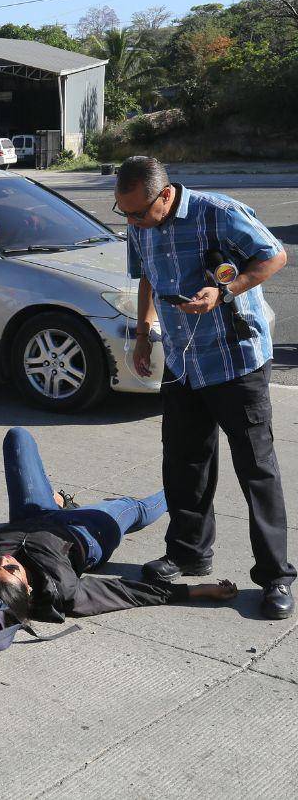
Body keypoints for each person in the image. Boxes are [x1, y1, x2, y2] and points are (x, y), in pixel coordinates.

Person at [115, 156, 293, 619]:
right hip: (181, 362)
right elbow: (147, 277)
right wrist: (142, 333)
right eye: (124, 213)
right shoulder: (139, 222)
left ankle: (275, 576)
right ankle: (189, 552)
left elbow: (275, 254)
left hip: (236, 361)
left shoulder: (219, 212)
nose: (131, 222)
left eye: (137, 213)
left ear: (165, 195)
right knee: (185, 461)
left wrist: (226, 292)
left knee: (257, 469)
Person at [0, 428, 238, 631]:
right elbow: (127, 592)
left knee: (18, 438)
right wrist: (196, 591)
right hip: (90, 533)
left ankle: (58, 500)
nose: (5, 558)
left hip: (30, 514)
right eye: (12, 567)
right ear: (28, 586)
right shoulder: (65, 591)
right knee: (136, 508)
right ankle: (188, 494)